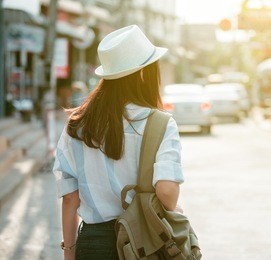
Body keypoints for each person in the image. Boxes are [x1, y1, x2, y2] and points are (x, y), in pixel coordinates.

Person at [53, 25, 184, 260]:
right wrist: (175, 208)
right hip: (145, 241)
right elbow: (166, 190)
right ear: (144, 73)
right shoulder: (160, 124)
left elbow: (70, 198)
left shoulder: (78, 125)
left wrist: (69, 253)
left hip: (92, 244)